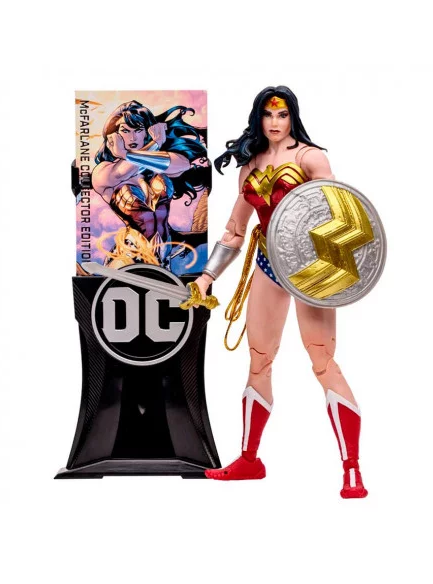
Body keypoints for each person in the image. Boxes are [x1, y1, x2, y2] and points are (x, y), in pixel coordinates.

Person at [194, 86, 368, 498]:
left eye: (283, 114)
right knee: (259, 360)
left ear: (293, 117)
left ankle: (352, 468)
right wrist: (206, 278)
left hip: (311, 269)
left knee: (322, 360)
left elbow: (338, 213)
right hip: (269, 264)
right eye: (268, 114)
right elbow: (235, 230)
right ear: (259, 118)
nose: (275, 122)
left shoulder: (310, 158)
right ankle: (249, 460)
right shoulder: (250, 165)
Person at [92, 100, 209, 268]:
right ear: (113, 135)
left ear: (147, 131)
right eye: (125, 131)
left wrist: (128, 154)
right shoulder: (103, 170)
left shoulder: (158, 167)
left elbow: (182, 164)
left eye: (138, 130)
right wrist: (155, 144)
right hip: (127, 255)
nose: (132, 137)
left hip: (163, 257)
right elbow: (120, 173)